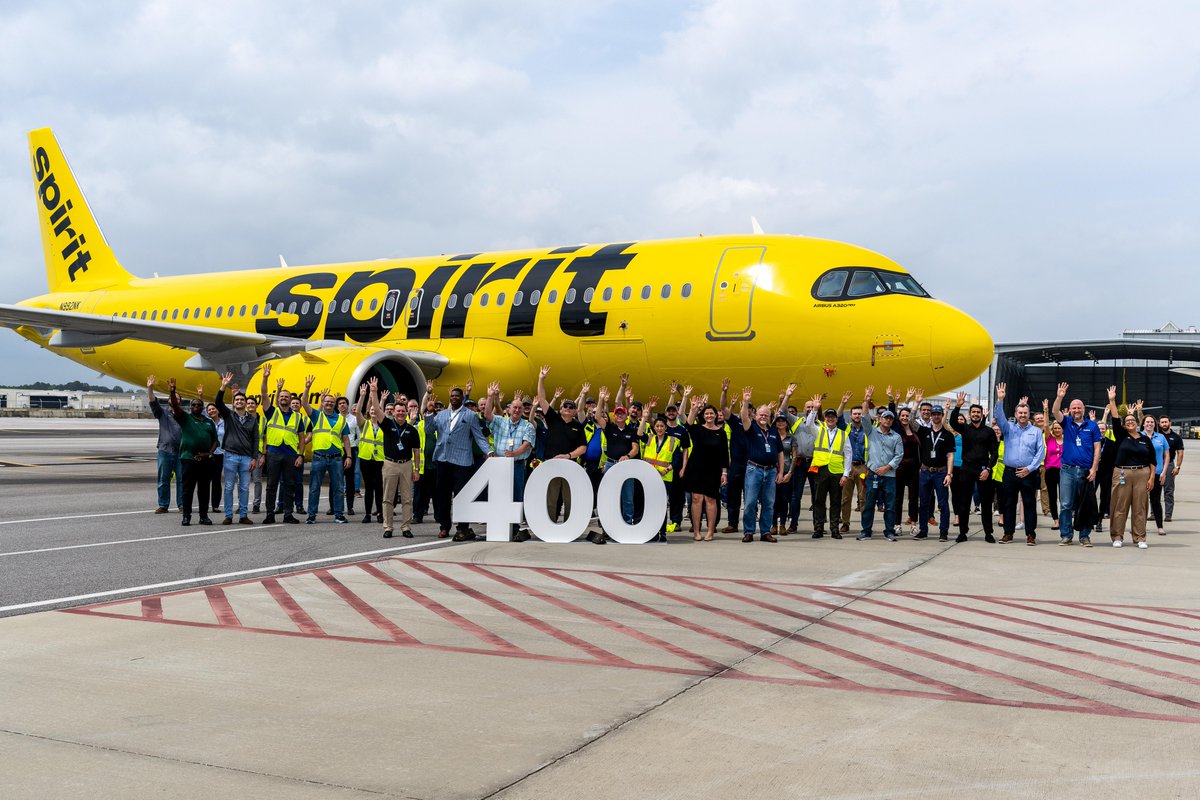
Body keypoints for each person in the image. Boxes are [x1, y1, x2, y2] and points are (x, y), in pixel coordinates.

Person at [428, 378, 493, 541]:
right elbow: (429, 430)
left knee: (461, 496)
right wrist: (429, 413)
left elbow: (478, 437)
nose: (454, 398)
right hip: (443, 459)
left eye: (457, 396)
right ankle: (444, 526)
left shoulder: (470, 415)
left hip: (462, 462)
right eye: (452, 396)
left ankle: (463, 527)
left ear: (462, 398)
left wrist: (489, 451)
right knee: (442, 495)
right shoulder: (441, 415)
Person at [533, 366, 587, 532]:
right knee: (551, 497)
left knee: (570, 497)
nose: (568, 409)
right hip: (552, 465)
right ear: (561, 409)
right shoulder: (553, 419)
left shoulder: (578, 426)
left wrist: (569, 455)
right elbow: (541, 398)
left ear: (574, 411)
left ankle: (570, 528)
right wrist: (541, 379)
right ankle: (548, 526)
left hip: (570, 465)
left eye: (571, 408)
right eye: (565, 406)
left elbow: (583, 448)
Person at [992, 383, 1045, 546]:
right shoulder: (1008, 429)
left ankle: (1030, 534)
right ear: (1015, 414)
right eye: (1020, 413)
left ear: (1029, 415)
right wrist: (1000, 400)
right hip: (1009, 472)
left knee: (1029, 504)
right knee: (1008, 503)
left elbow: (1040, 452)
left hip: (1028, 473)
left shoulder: (1036, 431)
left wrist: (1029, 468)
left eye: (1025, 413)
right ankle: (1008, 533)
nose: (1022, 415)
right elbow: (999, 417)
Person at [1050, 383, 1102, 546]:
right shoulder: (1066, 423)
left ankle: (1084, 536)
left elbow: (1097, 448)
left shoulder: (1092, 426)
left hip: (1086, 471)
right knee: (1065, 504)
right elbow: (1054, 412)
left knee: (1085, 504)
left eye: (1079, 408)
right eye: (1074, 408)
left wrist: (1094, 469)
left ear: (1084, 409)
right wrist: (1060, 397)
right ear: (1070, 410)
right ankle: (1066, 534)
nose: (1076, 411)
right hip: (1067, 470)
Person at [369, 378, 422, 538]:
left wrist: (416, 469)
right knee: (388, 498)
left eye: (402, 411)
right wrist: (373, 392)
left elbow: (417, 452)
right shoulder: (387, 424)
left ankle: (406, 527)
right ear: (393, 412)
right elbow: (377, 409)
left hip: (406, 465)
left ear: (406, 413)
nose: (400, 413)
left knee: (407, 498)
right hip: (390, 464)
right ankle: (388, 527)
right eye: (397, 411)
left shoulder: (412, 430)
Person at [483, 381, 536, 541]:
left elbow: (527, 445)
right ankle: (498, 524)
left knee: (516, 496)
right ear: (509, 409)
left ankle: (514, 528)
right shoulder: (501, 421)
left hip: (517, 466)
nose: (517, 410)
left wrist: (513, 454)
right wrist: (490, 396)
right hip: (499, 465)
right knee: (497, 494)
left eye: (520, 408)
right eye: (514, 407)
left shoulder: (528, 426)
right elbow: (487, 415)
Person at [1104, 386, 1155, 548]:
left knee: (1140, 507)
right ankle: (1117, 536)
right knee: (1119, 506)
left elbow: (1153, 460)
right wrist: (1112, 400)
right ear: (1124, 425)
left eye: (1133, 420)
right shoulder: (1121, 436)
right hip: (1122, 473)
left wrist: (1152, 477)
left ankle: (1139, 537)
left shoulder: (1145, 439)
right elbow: (1114, 417)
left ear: (1137, 423)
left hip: (1142, 473)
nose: (1130, 422)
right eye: (1128, 421)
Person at [167, 378, 218, 527]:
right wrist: (172, 392)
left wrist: (208, 453)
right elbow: (176, 406)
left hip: (205, 460)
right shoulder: (185, 419)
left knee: (204, 490)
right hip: (188, 459)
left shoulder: (209, 422)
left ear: (202, 407)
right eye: (193, 404)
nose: (196, 406)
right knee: (187, 490)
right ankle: (186, 516)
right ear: (190, 407)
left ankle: (203, 516)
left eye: (199, 405)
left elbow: (215, 441)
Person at [301, 378, 352, 524]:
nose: (329, 403)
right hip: (319, 457)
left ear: (334, 404)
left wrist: (348, 456)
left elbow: (346, 439)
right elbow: (304, 403)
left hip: (336, 458)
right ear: (322, 403)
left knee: (338, 487)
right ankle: (311, 515)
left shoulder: (342, 420)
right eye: (326, 402)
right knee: (315, 487)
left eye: (331, 402)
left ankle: (339, 514)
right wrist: (307, 387)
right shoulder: (317, 416)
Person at [259, 364, 303, 525]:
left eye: (287, 396)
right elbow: (264, 393)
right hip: (274, 453)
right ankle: (270, 514)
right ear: (278, 399)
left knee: (290, 485)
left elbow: (302, 437)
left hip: (291, 454)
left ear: (291, 400)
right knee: (271, 485)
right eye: (282, 396)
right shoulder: (271, 411)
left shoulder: (297, 417)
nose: (284, 398)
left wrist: (300, 454)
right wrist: (265, 377)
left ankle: (288, 514)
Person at [738, 386, 784, 543]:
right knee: (750, 502)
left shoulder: (773, 431)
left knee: (769, 503)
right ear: (756, 415)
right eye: (761, 414)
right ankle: (749, 531)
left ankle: (765, 532)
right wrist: (745, 402)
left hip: (771, 471)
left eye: (766, 415)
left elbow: (780, 452)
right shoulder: (751, 428)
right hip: (754, 469)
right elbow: (744, 417)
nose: (764, 417)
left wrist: (781, 472)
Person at [857, 386, 903, 541]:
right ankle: (866, 531)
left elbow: (899, 455)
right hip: (873, 474)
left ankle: (889, 531)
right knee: (869, 503)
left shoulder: (896, 436)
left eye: (890, 418)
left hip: (889, 475)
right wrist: (867, 400)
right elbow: (864, 417)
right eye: (885, 418)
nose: (888, 420)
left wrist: (887, 467)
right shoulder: (871, 431)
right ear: (879, 419)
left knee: (890, 505)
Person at [804, 394, 852, 539]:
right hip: (821, 470)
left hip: (837, 472)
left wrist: (846, 474)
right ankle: (818, 528)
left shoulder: (844, 434)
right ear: (825, 418)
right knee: (819, 500)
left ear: (836, 419)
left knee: (836, 502)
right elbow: (808, 424)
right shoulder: (819, 430)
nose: (830, 419)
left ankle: (834, 529)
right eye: (828, 417)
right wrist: (815, 409)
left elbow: (848, 455)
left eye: (833, 417)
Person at [214, 372, 259, 525]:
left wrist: (254, 458)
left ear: (246, 403)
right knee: (228, 487)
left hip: (246, 458)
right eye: (237, 400)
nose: (239, 401)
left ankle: (243, 515)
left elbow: (255, 439)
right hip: (231, 456)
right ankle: (228, 515)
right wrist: (223, 386)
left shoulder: (252, 420)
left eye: (242, 400)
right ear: (233, 403)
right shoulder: (228, 416)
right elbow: (218, 402)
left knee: (245, 488)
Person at [638, 396, 685, 542]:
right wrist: (645, 418)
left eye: (661, 426)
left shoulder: (673, 441)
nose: (659, 428)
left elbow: (677, 459)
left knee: (661, 505)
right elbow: (639, 434)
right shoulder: (650, 438)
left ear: (666, 428)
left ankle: (662, 532)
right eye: (657, 426)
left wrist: (667, 469)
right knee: (650, 504)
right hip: (649, 476)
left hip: (665, 477)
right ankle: (651, 532)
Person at [909, 401, 958, 541]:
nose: (936, 416)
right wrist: (916, 403)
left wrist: (949, 474)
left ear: (942, 416)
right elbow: (912, 422)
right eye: (934, 414)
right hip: (925, 472)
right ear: (930, 416)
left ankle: (944, 531)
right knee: (923, 503)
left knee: (943, 503)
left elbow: (950, 456)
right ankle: (923, 530)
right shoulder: (924, 431)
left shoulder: (948, 435)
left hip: (941, 472)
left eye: (938, 414)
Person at [683, 398, 729, 541]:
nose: (709, 416)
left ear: (716, 415)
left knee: (711, 499)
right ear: (703, 416)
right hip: (696, 468)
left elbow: (724, 454)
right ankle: (696, 531)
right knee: (696, 499)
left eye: (711, 413)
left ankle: (710, 531)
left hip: (713, 470)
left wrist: (724, 472)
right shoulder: (697, 429)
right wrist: (693, 408)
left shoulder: (721, 433)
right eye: (706, 413)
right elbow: (687, 423)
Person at [955, 399, 1000, 543]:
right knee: (964, 502)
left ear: (982, 414)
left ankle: (988, 533)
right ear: (969, 414)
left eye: (978, 412)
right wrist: (957, 406)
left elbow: (994, 453)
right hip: (967, 468)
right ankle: (963, 532)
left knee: (986, 503)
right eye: (973, 412)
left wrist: (988, 469)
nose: (975, 414)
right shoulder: (965, 429)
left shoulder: (989, 431)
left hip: (983, 469)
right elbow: (953, 422)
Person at [146, 374, 183, 513]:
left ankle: (182, 504)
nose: (174, 400)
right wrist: (150, 388)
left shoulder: (182, 416)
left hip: (180, 451)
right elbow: (153, 402)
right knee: (163, 479)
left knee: (181, 480)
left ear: (180, 402)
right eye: (172, 398)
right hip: (165, 450)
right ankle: (163, 505)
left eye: (177, 399)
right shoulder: (162, 414)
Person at [353, 384, 384, 524]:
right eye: (371, 410)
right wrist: (362, 396)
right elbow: (358, 412)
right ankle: (367, 514)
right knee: (369, 487)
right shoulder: (363, 424)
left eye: (375, 409)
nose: (373, 411)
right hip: (366, 458)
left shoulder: (384, 426)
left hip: (380, 459)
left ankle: (380, 513)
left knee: (379, 487)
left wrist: (377, 396)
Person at [769, 413, 797, 534]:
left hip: (786, 472)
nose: (780, 423)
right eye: (778, 421)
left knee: (785, 499)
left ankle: (783, 524)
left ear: (787, 423)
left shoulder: (791, 438)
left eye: (783, 421)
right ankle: (773, 524)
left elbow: (795, 456)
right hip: (772, 471)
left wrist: (790, 473)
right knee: (773, 499)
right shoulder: (771, 436)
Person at [1142, 413, 1169, 536]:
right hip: (1141, 473)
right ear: (1143, 424)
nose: (1149, 424)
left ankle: (1160, 526)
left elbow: (1166, 455)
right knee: (1140, 502)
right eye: (1147, 422)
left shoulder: (1161, 437)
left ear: (1155, 424)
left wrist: (1164, 471)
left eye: (1152, 422)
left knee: (1155, 501)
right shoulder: (1138, 436)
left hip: (1157, 473)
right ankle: (1140, 526)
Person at [1158, 416, 1184, 522]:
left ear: (1170, 423)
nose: (1164, 424)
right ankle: (1153, 513)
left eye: (1166, 422)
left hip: (1169, 465)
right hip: (1156, 465)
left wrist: (1177, 467)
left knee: (1168, 491)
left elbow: (1180, 453)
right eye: (1162, 422)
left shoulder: (1176, 437)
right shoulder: (1157, 435)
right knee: (1154, 491)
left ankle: (1168, 514)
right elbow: (1144, 425)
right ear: (1159, 424)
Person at [205, 400, 225, 516]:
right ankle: (205, 504)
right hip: (208, 455)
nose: (211, 411)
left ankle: (215, 505)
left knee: (217, 481)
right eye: (209, 410)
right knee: (205, 480)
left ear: (218, 410)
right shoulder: (206, 423)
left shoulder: (225, 423)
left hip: (220, 454)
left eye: (213, 409)